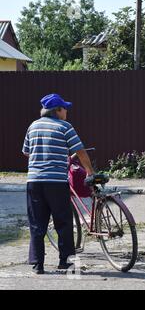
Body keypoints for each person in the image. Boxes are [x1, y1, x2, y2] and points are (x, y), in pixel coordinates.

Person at [22, 94, 95, 275]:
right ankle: (66, 262)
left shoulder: (33, 126)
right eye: (65, 108)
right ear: (57, 111)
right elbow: (80, 151)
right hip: (56, 182)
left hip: (34, 182)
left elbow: (26, 152)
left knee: (37, 224)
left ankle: (38, 264)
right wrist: (90, 172)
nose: (67, 111)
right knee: (63, 222)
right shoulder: (65, 127)